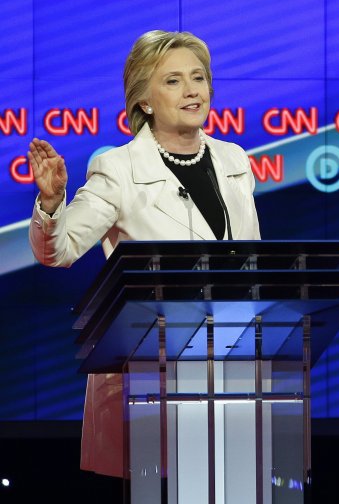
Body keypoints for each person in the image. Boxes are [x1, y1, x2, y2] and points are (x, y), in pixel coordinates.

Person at [28, 30, 261, 477]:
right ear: (145, 101)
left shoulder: (235, 161)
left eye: (199, 77)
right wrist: (53, 205)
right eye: (173, 81)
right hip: (148, 379)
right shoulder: (119, 169)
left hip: (232, 372)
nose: (192, 90)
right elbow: (58, 251)